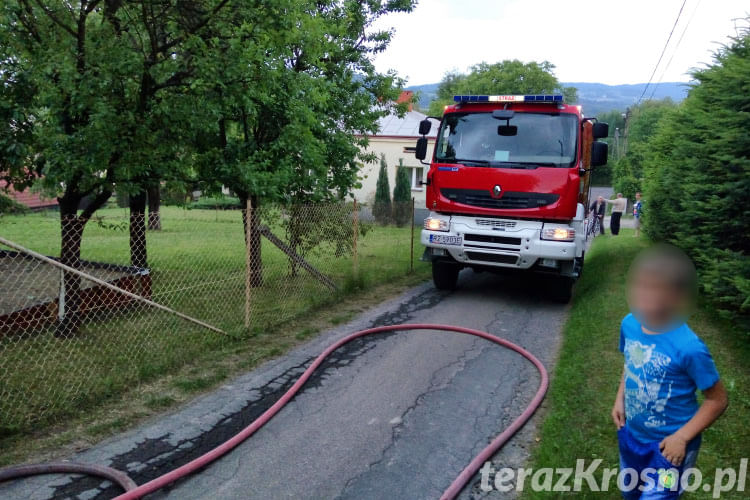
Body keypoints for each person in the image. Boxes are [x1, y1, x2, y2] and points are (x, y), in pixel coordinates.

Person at [611, 245, 728, 499]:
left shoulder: (689, 347)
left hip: (670, 449)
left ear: (675, 296)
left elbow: (717, 400)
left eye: (655, 290)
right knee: (630, 490)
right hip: (632, 436)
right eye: (640, 287)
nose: (644, 297)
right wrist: (619, 398)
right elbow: (630, 363)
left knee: (660, 495)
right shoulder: (629, 324)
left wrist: (682, 438)